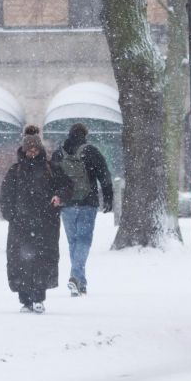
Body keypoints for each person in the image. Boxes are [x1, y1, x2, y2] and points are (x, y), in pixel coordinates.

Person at [0, 125, 71, 313]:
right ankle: (25, 299)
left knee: (42, 259)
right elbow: (5, 196)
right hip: (21, 225)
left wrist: (59, 196)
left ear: (40, 149)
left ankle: (38, 297)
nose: (32, 153)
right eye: (29, 149)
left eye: (35, 149)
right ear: (23, 149)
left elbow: (67, 186)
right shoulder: (15, 171)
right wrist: (11, 216)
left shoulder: (51, 169)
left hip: (45, 224)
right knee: (20, 261)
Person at [50, 122, 114, 296]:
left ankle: (80, 282)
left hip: (66, 204)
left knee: (73, 242)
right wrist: (108, 197)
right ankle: (76, 277)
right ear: (85, 135)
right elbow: (104, 175)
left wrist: (56, 196)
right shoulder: (91, 151)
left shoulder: (58, 153)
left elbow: (52, 179)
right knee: (84, 241)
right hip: (88, 202)